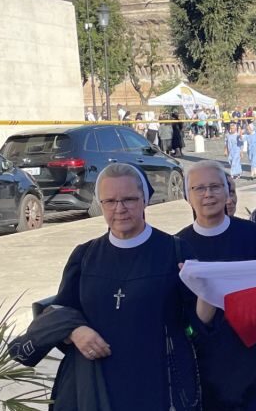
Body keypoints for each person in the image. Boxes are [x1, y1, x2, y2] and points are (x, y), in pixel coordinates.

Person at [50, 163, 201, 410]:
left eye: (129, 199)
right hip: (99, 383)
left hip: (158, 382)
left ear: (145, 200)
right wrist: (75, 331)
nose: (119, 209)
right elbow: (62, 310)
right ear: (100, 203)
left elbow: (199, 320)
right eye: (110, 201)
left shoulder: (175, 251)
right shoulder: (85, 256)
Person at [176, 161, 256, 410]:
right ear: (187, 196)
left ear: (228, 191)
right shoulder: (179, 245)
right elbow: (182, 314)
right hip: (208, 365)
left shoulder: (251, 234)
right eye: (199, 188)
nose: (208, 194)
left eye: (215, 186)